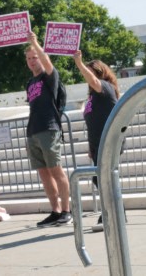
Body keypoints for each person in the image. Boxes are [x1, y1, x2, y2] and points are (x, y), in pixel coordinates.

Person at [26, 31, 72, 227]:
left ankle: (66, 211)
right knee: (44, 173)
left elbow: (46, 61)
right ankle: (55, 210)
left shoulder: (49, 77)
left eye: (34, 57)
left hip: (49, 128)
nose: (32, 61)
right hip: (33, 131)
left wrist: (35, 43)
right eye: (28, 58)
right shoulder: (30, 83)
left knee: (56, 170)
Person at [73, 49, 121, 232]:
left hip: (108, 141)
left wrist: (79, 63)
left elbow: (93, 80)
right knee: (99, 179)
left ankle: (112, 212)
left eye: (92, 73)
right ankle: (115, 211)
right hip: (97, 143)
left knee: (104, 178)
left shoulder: (105, 87)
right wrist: (90, 146)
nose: (89, 77)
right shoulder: (93, 95)